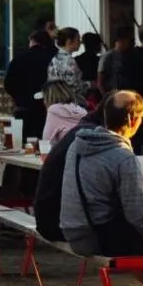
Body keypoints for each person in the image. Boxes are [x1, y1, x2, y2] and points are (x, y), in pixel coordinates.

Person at [60, 91, 143, 286]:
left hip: (72, 228)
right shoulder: (122, 156)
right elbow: (137, 215)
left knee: (140, 235)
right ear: (132, 120)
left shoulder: (78, 144)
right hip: (93, 235)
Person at [33, 100, 105, 243]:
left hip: (47, 219)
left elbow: (47, 139)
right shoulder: (93, 138)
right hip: (61, 225)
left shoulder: (77, 133)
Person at [4, 30, 55, 140]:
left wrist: (19, 97)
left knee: (24, 143)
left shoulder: (18, 59)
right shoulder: (52, 59)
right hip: (46, 109)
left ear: (32, 41)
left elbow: (8, 84)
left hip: (23, 108)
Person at [48, 28, 88, 98]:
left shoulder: (55, 58)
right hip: (68, 99)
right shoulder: (68, 61)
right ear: (69, 41)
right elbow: (73, 86)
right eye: (78, 39)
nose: (80, 42)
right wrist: (89, 84)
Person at [98, 25, 134, 95]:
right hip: (112, 94)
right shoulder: (107, 57)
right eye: (128, 40)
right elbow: (100, 83)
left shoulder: (129, 56)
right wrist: (107, 97)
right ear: (121, 40)